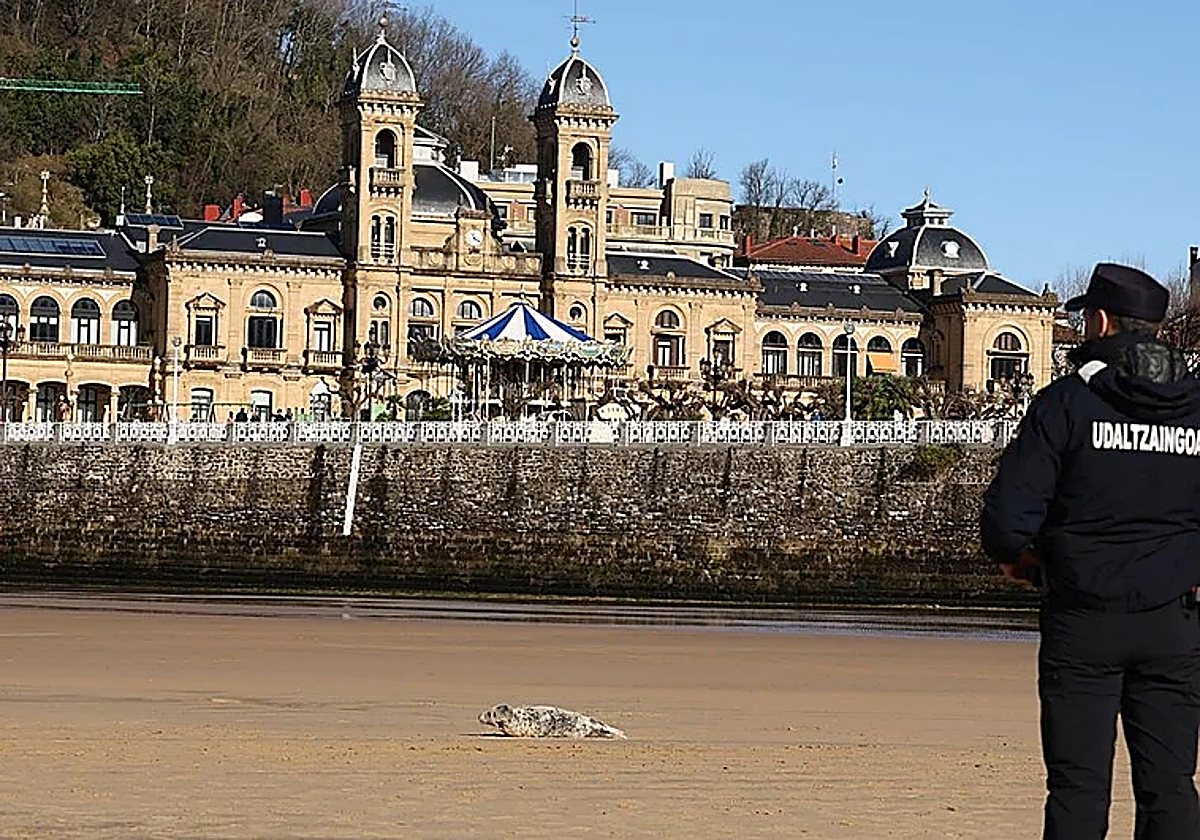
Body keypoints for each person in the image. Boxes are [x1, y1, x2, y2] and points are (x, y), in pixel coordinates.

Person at [981, 263, 1200, 838]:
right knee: (1171, 785)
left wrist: (1021, 564)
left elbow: (1008, 519)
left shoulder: (1067, 404)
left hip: (1083, 617)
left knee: (1078, 787)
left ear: (1100, 321)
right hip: (1174, 620)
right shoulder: (1195, 408)